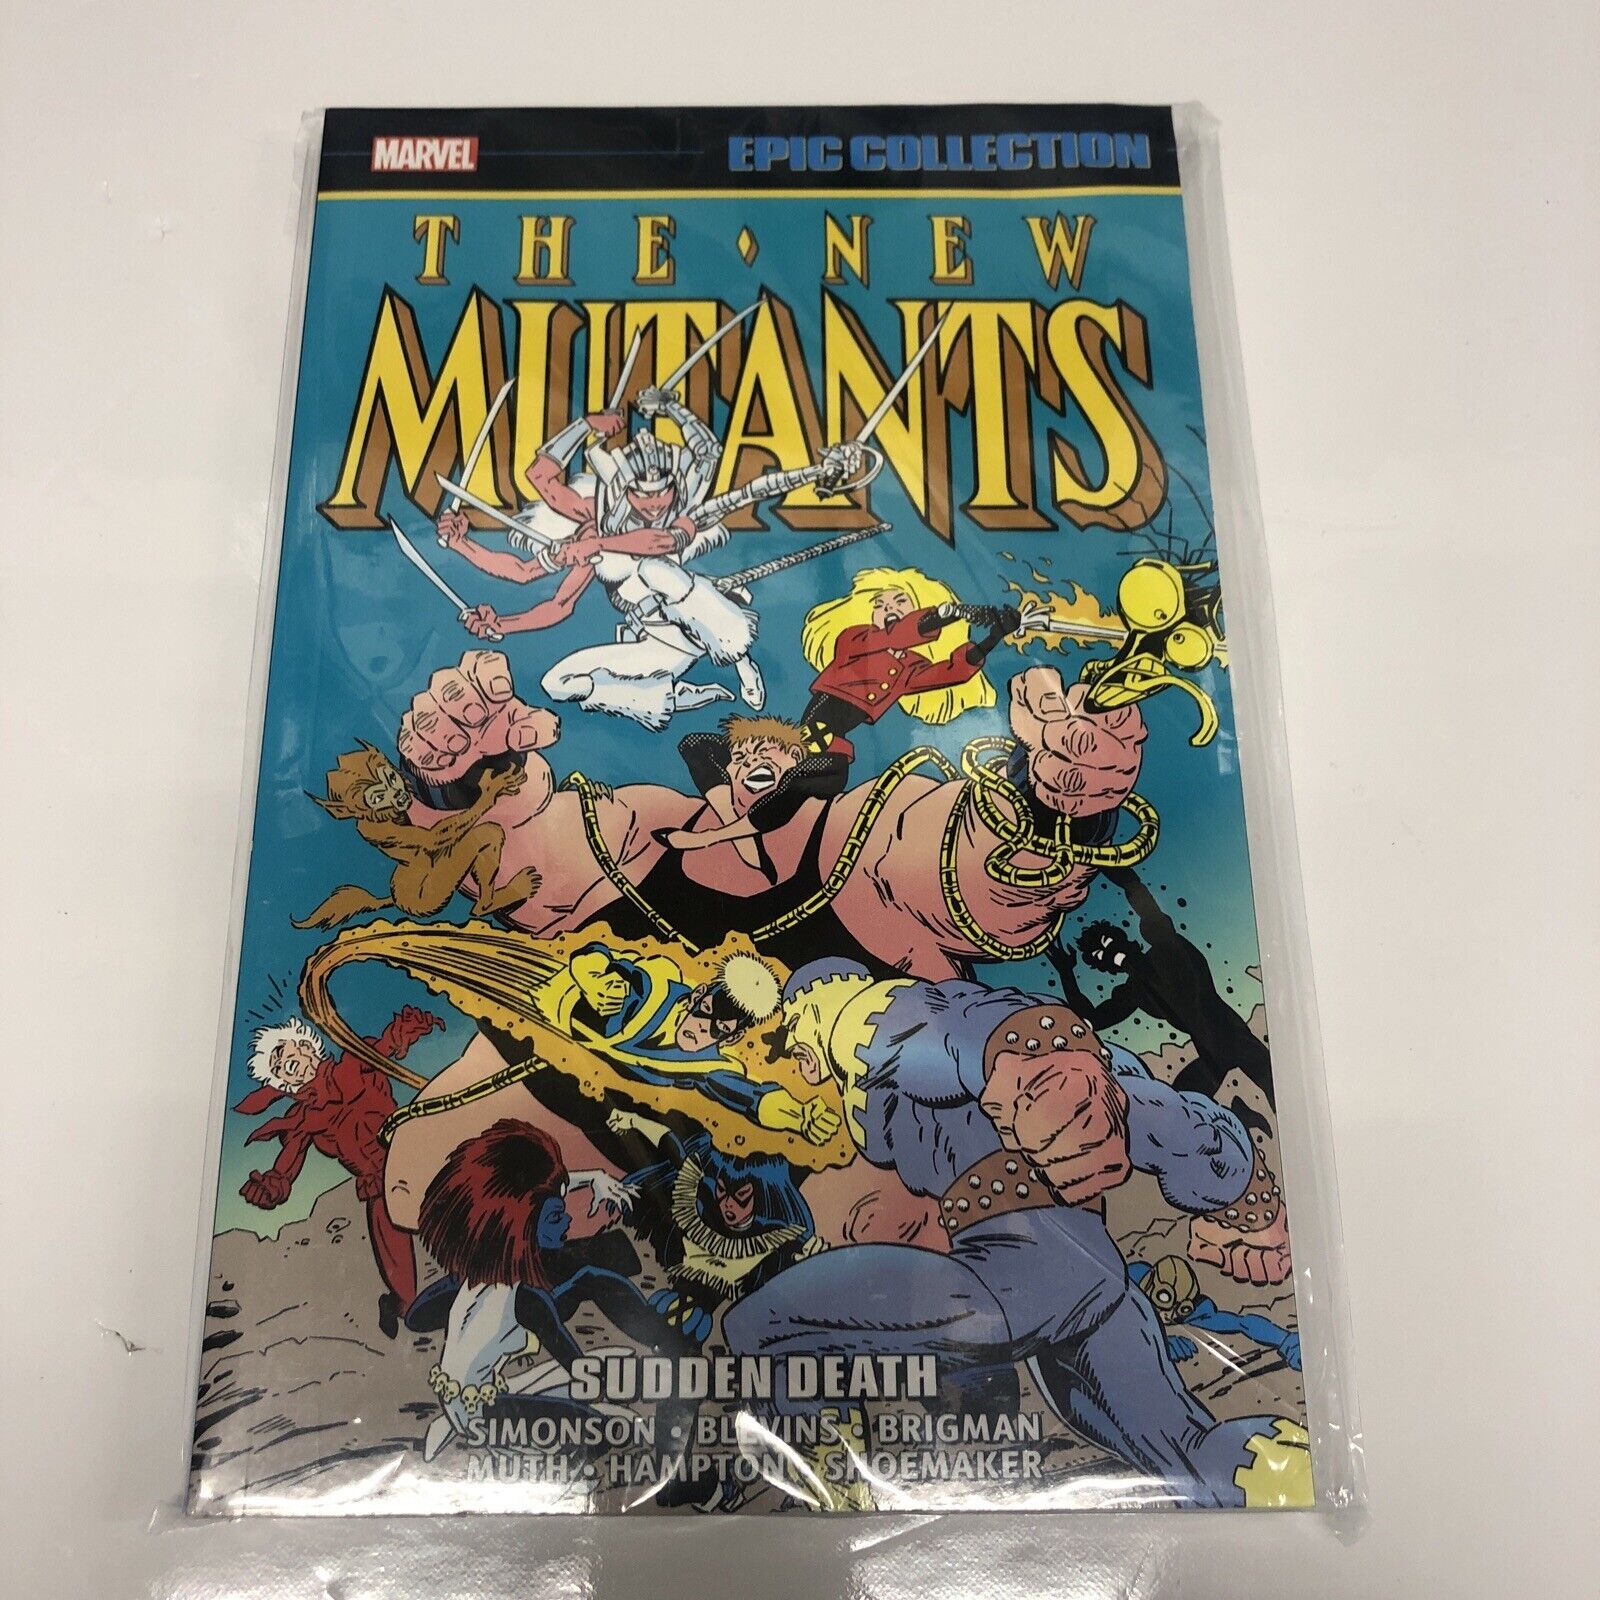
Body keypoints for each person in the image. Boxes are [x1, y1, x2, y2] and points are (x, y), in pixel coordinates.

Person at [721, 960, 1308, 1510]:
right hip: (1098, 1291)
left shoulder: (871, 1017)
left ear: (821, 1003)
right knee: (1190, 1454)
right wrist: (1246, 1200)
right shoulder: (898, 1089)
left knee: (763, 1323)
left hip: (1013, 1284)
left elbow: (963, 1027)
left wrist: (1034, 1059)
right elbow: (1145, 1106)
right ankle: (1286, 1475)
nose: (792, 1050)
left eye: (796, 1023)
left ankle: (833, 1505)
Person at [408, 1118, 684, 1460]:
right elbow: (580, 1372)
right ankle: (666, 1339)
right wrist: (606, 1399)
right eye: (555, 1218)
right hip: (484, 1413)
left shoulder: (472, 1277)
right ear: (519, 1228)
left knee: (588, 1276)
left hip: (467, 1394)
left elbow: (416, 1318)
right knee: (603, 1428)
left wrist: (593, 1178)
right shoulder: (528, 1301)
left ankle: (660, 1336)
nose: (568, 1221)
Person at [234, 1007, 442, 1337]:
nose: (285, 1062)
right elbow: (287, 1164)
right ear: (281, 1082)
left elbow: (387, 1045)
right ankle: (406, 1305)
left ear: (306, 1047)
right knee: (392, 1243)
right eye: (277, 1066)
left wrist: (407, 1028)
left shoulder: (353, 1063)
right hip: (376, 1182)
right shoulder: (302, 1119)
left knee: (450, 1201)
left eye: (285, 1051)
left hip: (409, 1154)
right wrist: (270, 1188)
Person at [1072, 866, 1275, 1104]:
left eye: (1108, 943)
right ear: (1105, 967)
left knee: (1272, 1082)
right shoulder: (1134, 990)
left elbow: (1141, 899)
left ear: (1121, 938)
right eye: (1100, 956)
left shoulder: (1164, 943)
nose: (1109, 953)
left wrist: (1114, 868)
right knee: (1177, 1101)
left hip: (1231, 1034)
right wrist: (1067, 974)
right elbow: (1092, 1019)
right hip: (1209, 1054)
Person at [1129, 1255, 1302, 1372]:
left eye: (1181, 1308)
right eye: (1164, 1297)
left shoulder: (1191, 1313)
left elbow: (1239, 1323)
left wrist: (1285, 1340)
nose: (1169, 1315)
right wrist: (1158, 1343)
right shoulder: (1127, 1283)